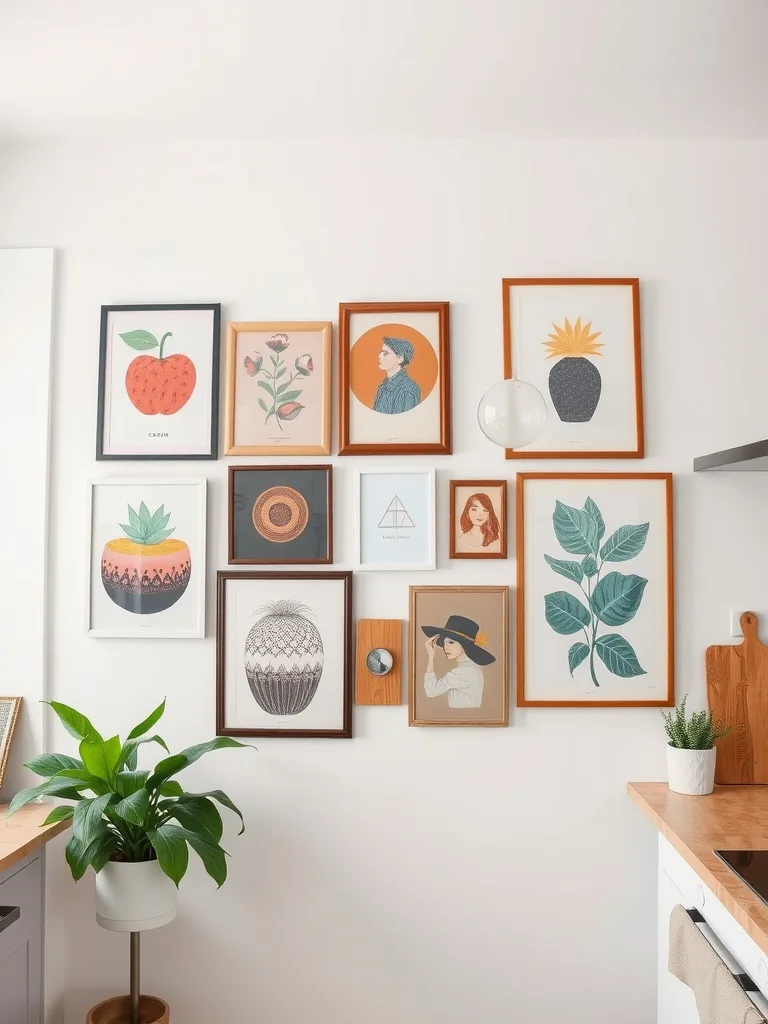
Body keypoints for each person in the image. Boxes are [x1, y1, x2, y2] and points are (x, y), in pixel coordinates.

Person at [421, 615, 496, 709]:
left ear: (464, 645)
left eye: (450, 642)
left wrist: (431, 656)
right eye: (444, 643)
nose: (445, 647)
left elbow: (431, 690)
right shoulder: (472, 667)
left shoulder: (464, 671)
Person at [372, 336, 421, 414]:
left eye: (385, 354)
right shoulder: (382, 387)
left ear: (400, 359)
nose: (379, 356)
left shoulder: (407, 390)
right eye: (381, 352)